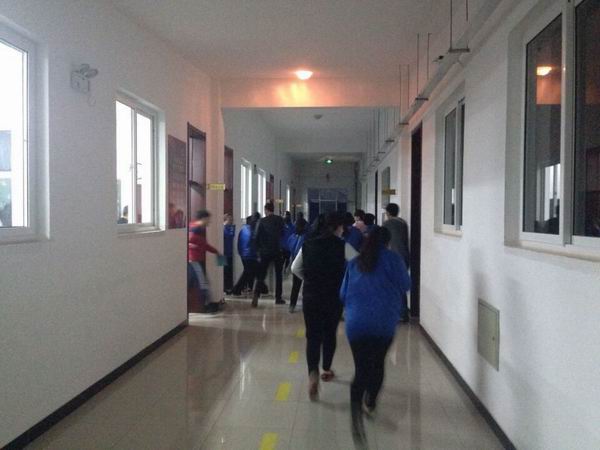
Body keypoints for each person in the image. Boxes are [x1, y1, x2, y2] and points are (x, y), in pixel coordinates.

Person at [339, 226, 411, 439]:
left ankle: (355, 414)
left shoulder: (355, 261)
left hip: (356, 323)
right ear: (388, 242)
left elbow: (342, 294)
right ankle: (370, 401)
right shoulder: (394, 260)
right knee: (377, 364)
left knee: (361, 368)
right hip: (383, 323)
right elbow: (406, 285)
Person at [291, 211, 358, 400]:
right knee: (329, 333)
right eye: (342, 226)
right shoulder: (343, 246)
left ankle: (312, 373)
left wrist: (309, 279)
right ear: (337, 227)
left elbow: (295, 268)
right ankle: (326, 369)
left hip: (311, 296)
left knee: (313, 336)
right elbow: (358, 266)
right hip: (333, 297)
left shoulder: (308, 244)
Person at [252, 202, 285, 307]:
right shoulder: (279, 220)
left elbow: (256, 237)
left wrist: (258, 251)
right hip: (277, 250)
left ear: (266, 210)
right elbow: (282, 233)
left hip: (264, 252)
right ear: (273, 209)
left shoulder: (261, 221)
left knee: (261, 275)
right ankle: (278, 298)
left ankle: (256, 295)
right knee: (279, 275)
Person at [188, 210, 222, 314]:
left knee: (197, 283)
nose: (209, 221)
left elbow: (204, 245)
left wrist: (216, 252)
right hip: (194, 261)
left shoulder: (199, 229)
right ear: (203, 218)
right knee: (203, 283)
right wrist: (192, 246)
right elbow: (187, 242)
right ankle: (208, 306)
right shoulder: (194, 229)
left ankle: (206, 305)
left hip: (197, 260)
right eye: (208, 219)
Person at [383, 203, 410, 322]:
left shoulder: (387, 224)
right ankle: (403, 312)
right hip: (404, 257)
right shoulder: (403, 223)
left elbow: (384, 241)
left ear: (388, 213)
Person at [231, 215, 259, 296]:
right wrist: (257, 254)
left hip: (243, 255)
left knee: (249, 272)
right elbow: (253, 244)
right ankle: (237, 289)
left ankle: (247, 287)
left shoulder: (243, 229)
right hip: (250, 255)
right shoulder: (252, 230)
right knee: (249, 272)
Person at [287, 218, 308, 313]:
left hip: (296, 263)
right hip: (304, 263)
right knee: (305, 285)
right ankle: (304, 304)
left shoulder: (293, 237)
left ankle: (292, 305)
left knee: (295, 286)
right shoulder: (306, 237)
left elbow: (289, 247)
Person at [223, 213, 236, 294]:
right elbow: (230, 235)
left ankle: (228, 287)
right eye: (230, 220)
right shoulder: (223, 228)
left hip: (229, 254)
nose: (231, 221)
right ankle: (224, 288)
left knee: (229, 272)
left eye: (232, 220)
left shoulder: (230, 228)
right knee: (223, 271)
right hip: (222, 254)